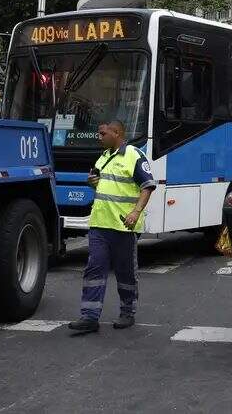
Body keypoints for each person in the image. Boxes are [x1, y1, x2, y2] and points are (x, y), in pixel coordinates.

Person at [69, 120, 156, 333]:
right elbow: (106, 186)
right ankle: (89, 317)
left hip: (124, 227)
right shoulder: (103, 156)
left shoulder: (134, 155)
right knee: (94, 270)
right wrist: (94, 183)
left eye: (103, 133)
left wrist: (135, 212)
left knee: (125, 273)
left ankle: (127, 312)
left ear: (116, 133)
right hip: (99, 225)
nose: (99, 138)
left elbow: (147, 186)